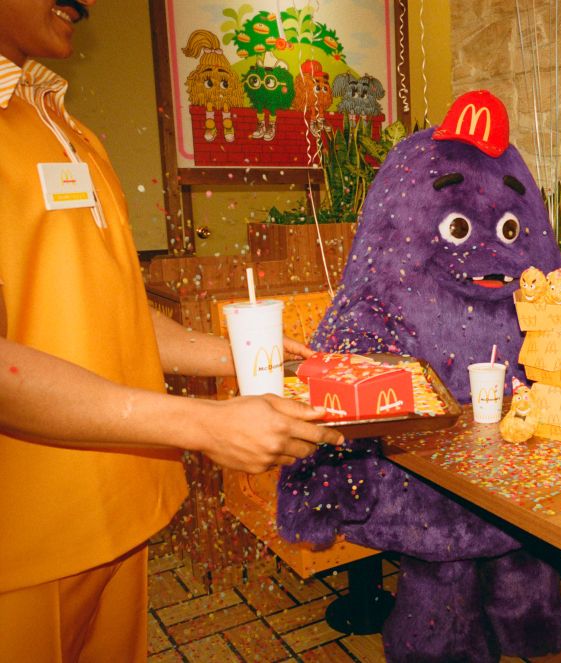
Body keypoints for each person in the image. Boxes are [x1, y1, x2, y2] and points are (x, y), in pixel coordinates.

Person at [0, 1, 342, 660]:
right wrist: (205, 425)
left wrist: (247, 359)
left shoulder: (69, 129)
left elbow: (117, 310)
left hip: (120, 516)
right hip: (24, 541)